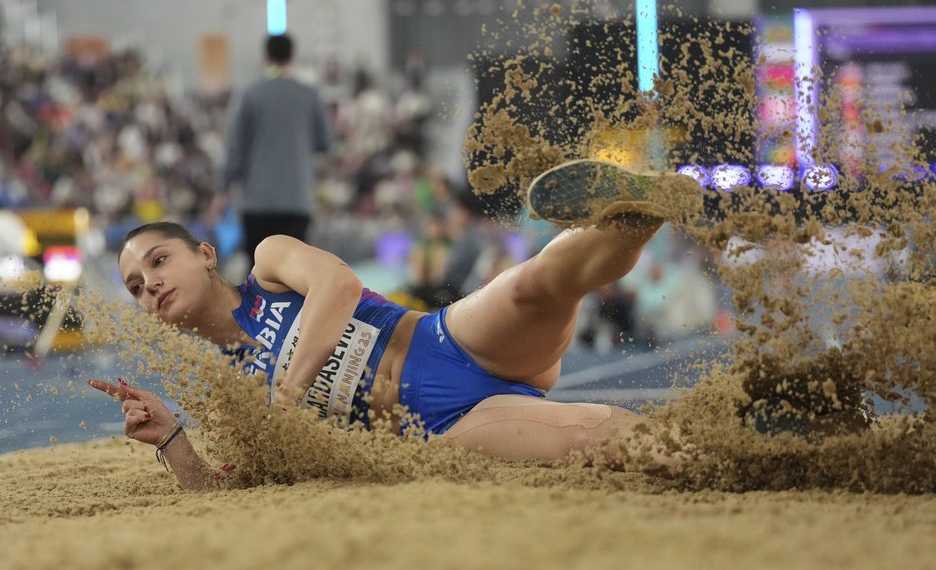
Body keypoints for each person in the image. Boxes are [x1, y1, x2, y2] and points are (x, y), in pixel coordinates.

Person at [91, 160, 695, 490]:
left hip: (446, 341)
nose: (152, 285)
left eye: (159, 261)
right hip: (441, 425)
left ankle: (636, 213)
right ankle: (721, 455)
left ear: (203, 253)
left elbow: (340, 286)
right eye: (137, 287)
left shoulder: (269, 263)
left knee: (538, 283)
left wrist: (289, 388)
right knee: (585, 437)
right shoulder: (224, 389)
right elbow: (237, 482)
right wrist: (172, 439)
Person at [221, 33, 333, 262]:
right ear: (292, 55)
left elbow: (235, 145)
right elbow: (325, 142)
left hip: (256, 202)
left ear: (266, 55)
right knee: (293, 273)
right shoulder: (309, 94)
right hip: (297, 200)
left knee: (258, 274)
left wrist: (224, 186)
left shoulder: (249, 92)